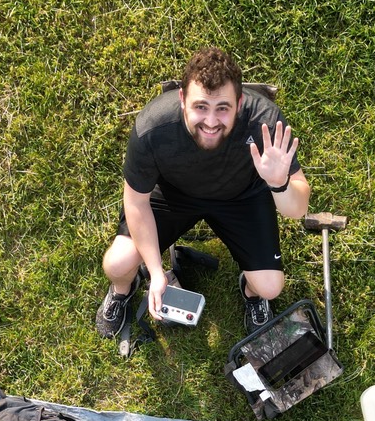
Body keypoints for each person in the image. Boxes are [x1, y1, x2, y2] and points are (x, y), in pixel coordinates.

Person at [95, 46, 310, 339]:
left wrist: (278, 183)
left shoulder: (265, 124)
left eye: (223, 108)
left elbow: (297, 209)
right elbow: (136, 202)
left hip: (242, 198)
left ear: (240, 101)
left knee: (270, 287)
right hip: (173, 195)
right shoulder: (152, 126)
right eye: (201, 107)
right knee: (117, 263)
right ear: (182, 98)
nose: (211, 122)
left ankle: (251, 292)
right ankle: (124, 289)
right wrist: (157, 273)